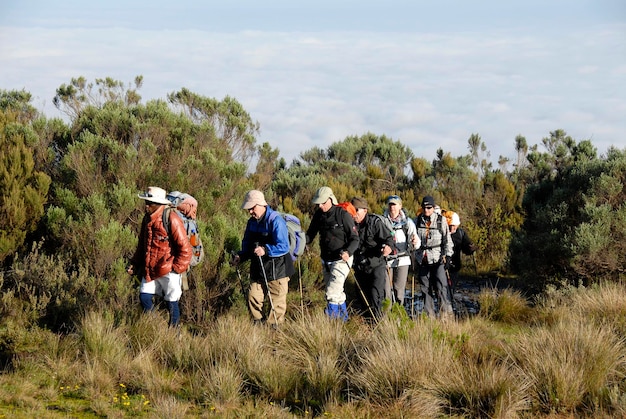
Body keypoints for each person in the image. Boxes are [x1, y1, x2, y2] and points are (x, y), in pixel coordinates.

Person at [128, 186, 193, 327]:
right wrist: (135, 263)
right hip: (150, 268)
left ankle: (174, 333)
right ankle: (155, 327)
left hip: (169, 270)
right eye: (146, 202)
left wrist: (175, 268)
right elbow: (142, 245)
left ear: (158, 204)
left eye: (149, 203)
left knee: (172, 303)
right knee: (144, 297)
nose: (146, 205)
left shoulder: (171, 218)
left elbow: (186, 249)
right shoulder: (146, 220)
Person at [232, 190, 294, 326]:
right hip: (258, 270)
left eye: (252, 208)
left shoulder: (276, 221)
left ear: (261, 204)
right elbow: (248, 245)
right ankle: (259, 327)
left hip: (278, 270)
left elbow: (284, 246)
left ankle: (274, 334)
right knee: (253, 297)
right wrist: (240, 256)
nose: (250, 212)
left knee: (276, 304)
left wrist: (266, 250)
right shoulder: (251, 223)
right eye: (248, 209)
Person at [306, 186, 359, 320]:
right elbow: (310, 234)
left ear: (331, 199)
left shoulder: (343, 215)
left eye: (323, 203)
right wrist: (299, 243)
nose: (320, 206)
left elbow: (355, 238)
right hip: (326, 259)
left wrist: (348, 252)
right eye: (318, 203)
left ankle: (332, 324)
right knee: (337, 292)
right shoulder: (319, 215)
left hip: (342, 259)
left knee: (331, 293)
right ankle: (344, 321)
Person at [351, 197, 395, 319]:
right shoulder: (350, 224)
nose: (354, 213)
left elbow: (389, 239)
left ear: (365, 210)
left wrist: (388, 247)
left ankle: (379, 325)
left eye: (357, 210)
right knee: (362, 297)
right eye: (352, 210)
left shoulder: (375, 223)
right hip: (359, 267)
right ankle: (367, 325)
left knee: (376, 296)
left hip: (376, 265)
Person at [414, 195, 454, 321]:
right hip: (422, 259)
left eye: (429, 207)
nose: (426, 210)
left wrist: (448, 256)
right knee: (425, 289)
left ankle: (446, 316)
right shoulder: (417, 221)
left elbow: (448, 240)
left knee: (441, 287)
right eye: (424, 207)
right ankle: (429, 316)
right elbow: (412, 239)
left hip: (437, 259)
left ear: (433, 207)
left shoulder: (440, 221)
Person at [383, 195, 420, 304]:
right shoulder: (382, 221)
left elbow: (416, 243)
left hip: (402, 260)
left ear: (400, 206)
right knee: (386, 291)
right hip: (387, 260)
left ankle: (398, 316)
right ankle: (386, 317)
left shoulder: (408, 223)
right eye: (390, 204)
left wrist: (415, 242)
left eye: (394, 205)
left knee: (399, 290)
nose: (392, 207)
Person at [447, 211, 477, 286]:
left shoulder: (460, 233)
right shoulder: (442, 233)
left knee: (451, 289)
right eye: (450, 225)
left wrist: (470, 249)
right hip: (441, 266)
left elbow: (466, 248)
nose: (452, 227)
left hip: (455, 267)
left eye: (454, 225)